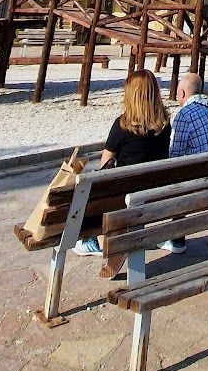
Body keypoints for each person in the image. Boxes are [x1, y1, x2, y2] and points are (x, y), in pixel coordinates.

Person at [73, 70, 171, 256]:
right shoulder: (164, 125)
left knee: (90, 187)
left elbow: (106, 163)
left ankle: (88, 239)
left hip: (124, 195)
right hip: (154, 191)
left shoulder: (122, 125)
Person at [162, 72, 208, 253]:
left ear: (183, 94)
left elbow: (174, 157)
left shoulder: (184, 115)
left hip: (199, 185)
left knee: (177, 176)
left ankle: (177, 238)